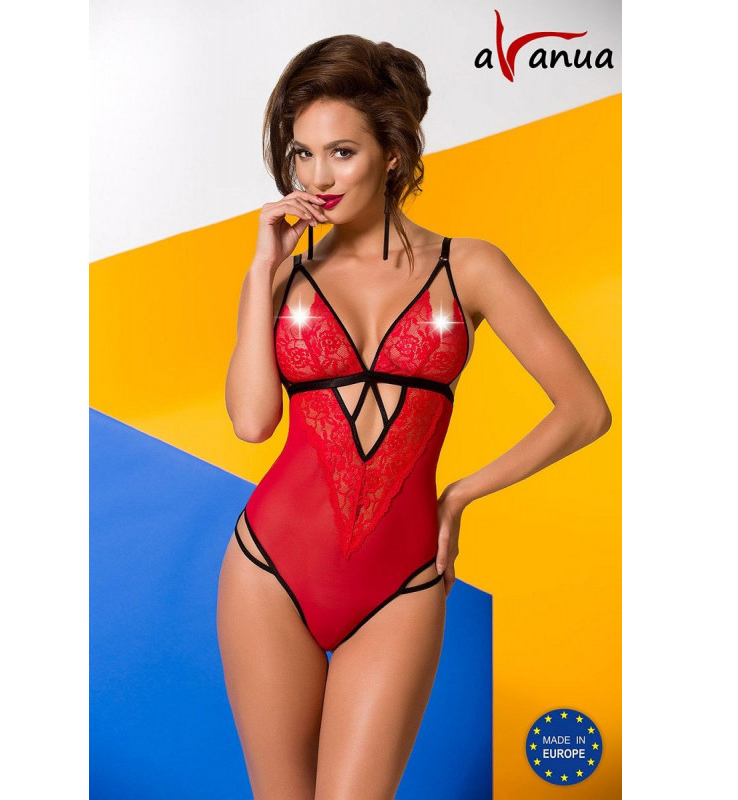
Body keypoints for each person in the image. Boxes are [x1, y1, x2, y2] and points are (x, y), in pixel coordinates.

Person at [216, 34, 611, 799]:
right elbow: (252, 422)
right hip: (269, 571)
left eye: (341, 153)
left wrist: (458, 496)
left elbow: (584, 411)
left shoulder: (471, 267)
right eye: (302, 155)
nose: (317, 178)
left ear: (392, 154)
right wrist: (261, 269)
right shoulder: (283, 277)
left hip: (402, 583)